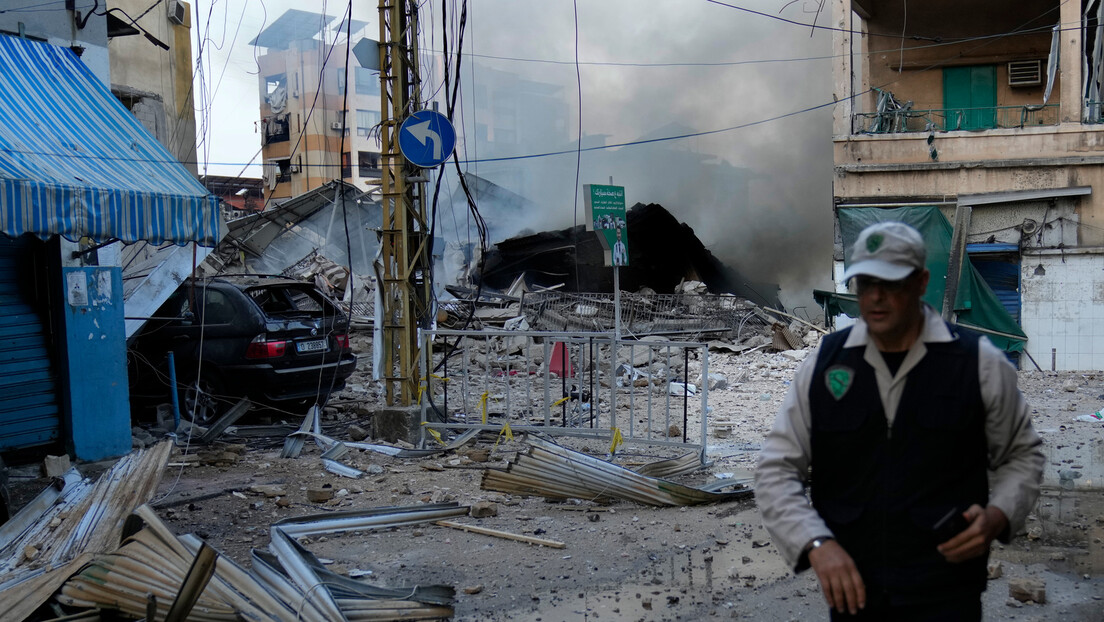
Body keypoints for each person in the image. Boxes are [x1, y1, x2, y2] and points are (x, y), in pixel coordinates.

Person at [754, 221, 1044, 620]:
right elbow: (775, 469)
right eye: (865, 283)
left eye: (890, 284)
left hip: (947, 593)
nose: (875, 297)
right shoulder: (825, 364)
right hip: (854, 597)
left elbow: (1021, 457)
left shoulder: (978, 363)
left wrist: (998, 515)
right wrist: (816, 544)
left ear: (921, 282)